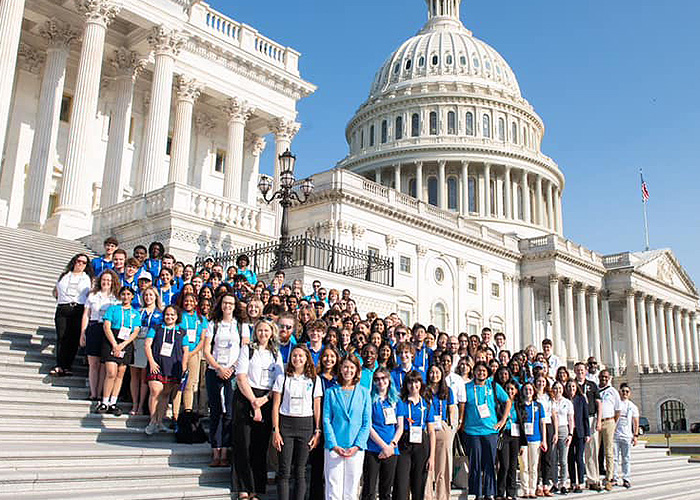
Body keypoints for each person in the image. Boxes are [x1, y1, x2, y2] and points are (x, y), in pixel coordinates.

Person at [234, 318, 284, 498]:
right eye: (260, 330)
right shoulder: (247, 349)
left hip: (266, 398)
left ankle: (256, 488)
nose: (263, 334)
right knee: (243, 444)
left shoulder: (276, 353)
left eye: (266, 331)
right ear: (255, 332)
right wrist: (254, 401)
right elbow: (240, 377)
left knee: (260, 446)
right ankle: (242, 487)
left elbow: (278, 380)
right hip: (246, 396)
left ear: (272, 333)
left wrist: (264, 399)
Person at [271, 345, 323, 500]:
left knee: (300, 471)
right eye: (294, 355)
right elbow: (275, 406)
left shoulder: (314, 379)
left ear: (307, 358)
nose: (297, 359)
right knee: (284, 470)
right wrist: (276, 431)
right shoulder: (282, 378)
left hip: (305, 426)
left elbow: (317, 407)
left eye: (301, 356)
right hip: (286, 425)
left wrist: (317, 431)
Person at [203, 293, 246, 467]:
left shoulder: (242, 326)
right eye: (225, 303)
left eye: (231, 303)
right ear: (220, 305)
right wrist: (219, 368)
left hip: (233, 372)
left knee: (229, 412)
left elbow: (245, 349)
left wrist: (231, 369)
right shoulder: (213, 324)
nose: (228, 306)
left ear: (235, 306)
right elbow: (206, 350)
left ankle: (226, 451)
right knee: (215, 412)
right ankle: (215, 450)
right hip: (215, 370)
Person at [323, 354, 372, 500]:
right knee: (333, 489)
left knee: (351, 489)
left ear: (357, 370)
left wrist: (357, 446)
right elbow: (326, 419)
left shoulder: (364, 393)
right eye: (345, 367)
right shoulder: (331, 392)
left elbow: (366, 422)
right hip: (335, 447)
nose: (348, 370)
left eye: (352, 367)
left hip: (355, 448)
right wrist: (333, 444)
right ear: (340, 369)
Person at [462, 362, 511, 500]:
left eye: (484, 371)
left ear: (487, 372)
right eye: (478, 370)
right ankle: (477, 493)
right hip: (472, 431)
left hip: (490, 431)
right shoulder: (467, 387)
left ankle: (489, 493)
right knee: (475, 463)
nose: (481, 373)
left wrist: (502, 421)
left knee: (490, 462)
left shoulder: (493, 386)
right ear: (474, 372)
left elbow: (508, 401)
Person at [144, 305, 189, 435]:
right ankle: (152, 421)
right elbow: (147, 344)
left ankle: (160, 421)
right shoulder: (156, 328)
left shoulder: (182, 331)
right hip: (157, 364)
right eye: (167, 314)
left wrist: (183, 366)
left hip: (173, 366)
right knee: (155, 391)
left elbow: (185, 350)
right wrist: (152, 362)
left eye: (172, 315)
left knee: (165, 394)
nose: (169, 317)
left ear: (177, 317)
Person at [97, 286, 141, 416]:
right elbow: (107, 326)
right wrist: (115, 344)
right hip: (112, 340)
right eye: (123, 294)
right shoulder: (113, 309)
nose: (126, 296)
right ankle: (104, 401)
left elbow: (136, 331)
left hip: (126, 343)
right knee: (111, 372)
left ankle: (113, 402)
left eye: (128, 294)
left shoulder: (135, 313)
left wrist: (123, 345)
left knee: (120, 373)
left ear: (132, 296)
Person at [360, 367, 403, 500]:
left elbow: (400, 427)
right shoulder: (369, 399)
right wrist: (383, 446)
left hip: (391, 450)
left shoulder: (396, 401)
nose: (380, 382)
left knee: (386, 491)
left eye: (383, 378)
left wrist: (391, 445)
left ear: (389, 380)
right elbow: (368, 426)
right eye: (377, 379)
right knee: (369, 490)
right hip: (373, 449)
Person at [393, 369, 436, 500]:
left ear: (421, 384)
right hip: (404, 442)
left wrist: (432, 456)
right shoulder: (401, 402)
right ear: (406, 385)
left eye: (416, 382)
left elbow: (431, 432)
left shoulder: (427, 404)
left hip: (421, 443)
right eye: (410, 382)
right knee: (401, 485)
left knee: (418, 485)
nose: (413, 385)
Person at [80, 269, 120, 401]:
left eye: (109, 280)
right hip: (94, 327)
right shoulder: (92, 295)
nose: (106, 282)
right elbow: (86, 315)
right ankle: (93, 393)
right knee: (93, 363)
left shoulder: (116, 298)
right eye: (104, 279)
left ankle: (102, 392)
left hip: (109, 330)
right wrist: (82, 333)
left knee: (104, 364)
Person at [51, 253, 93, 377]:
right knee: (62, 336)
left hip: (78, 308)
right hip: (63, 308)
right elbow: (56, 291)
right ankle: (60, 365)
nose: (80, 264)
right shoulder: (65, 275)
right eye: (78, 261)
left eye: (84, 262)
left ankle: (67, 365)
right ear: (74, 261)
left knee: (73, 338)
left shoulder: (88, 278)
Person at [172, 292, 208, 421]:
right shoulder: (179, 316)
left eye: (191, 301)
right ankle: (175, 415)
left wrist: (191, 354)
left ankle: (187, 412)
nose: (188, 303)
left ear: (196, 303)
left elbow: (202, 339)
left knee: (190, 384)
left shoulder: (201, 319)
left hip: (194, 354)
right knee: (177, 384)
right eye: (186, 301)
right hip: (178, 354)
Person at [425, 364, 458, 500]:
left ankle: (442, 496)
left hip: (442, 427)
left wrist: (451, 428)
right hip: (427, 428)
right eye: (432, 372)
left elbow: (451, 410)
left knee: (443, 465)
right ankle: (427, 495)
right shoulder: (424, 390)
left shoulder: (447, 391)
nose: (434, 375)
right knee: (427, 465)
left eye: (437, 372)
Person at [132, 286, 163, 415]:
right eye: (146, 295)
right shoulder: (138, 311)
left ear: (156, 297)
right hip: (136, 342)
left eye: (151, 295)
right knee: (134, 375)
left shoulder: (160, 313)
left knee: (144, 377)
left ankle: (140, 406)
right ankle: (134, 404)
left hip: (149, 345)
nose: (148, 298)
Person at [573, 362, 602, 492]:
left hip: (590, 419)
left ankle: (593, 479)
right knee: (577, 453)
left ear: (586, 371)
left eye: (582, 370)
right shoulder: (572, 385)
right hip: (576, 421)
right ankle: (578, 480)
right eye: (578, 370)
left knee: (592, 450)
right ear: (574, 371)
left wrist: (599, 420)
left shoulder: (591, 385)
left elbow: (599, 403)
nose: (580, 372)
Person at [519, 382, 547, 499]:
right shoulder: (519, 405)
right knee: (523, 465)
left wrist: (544, 440)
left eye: (530, 389)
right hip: (523, 440)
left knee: (534, 466)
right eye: (526, 389)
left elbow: (542, 424)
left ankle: (532, 489)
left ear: (534, 391)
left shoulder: (538, 406)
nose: (528, 392)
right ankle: (525, 490)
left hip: (535, 439)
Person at [497, 381, 522, 500]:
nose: (510, 391)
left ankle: (511, 493)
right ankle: (500, 492)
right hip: (504, 434)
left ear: (516, 391)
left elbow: (521, 421)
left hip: (516, 435)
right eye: (507, 389)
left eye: (512, 389)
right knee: (504, 465)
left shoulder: (518, 404)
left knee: (513, 465)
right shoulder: (500, 404)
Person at [598, 369, 621, 491]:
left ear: (609, 378)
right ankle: (595, 478)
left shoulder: (613, 391)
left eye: (606, 377)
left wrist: (612, 422)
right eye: (602, 376)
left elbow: (618, 410)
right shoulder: (595, 389)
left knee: (608, 451)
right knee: (595, 451)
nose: (604, 379)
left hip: (609, 421)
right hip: (596, 423)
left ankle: (609, 478)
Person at [535, 375, 558, 496]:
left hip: (548, 426)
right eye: (538, 381)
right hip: (536, 426)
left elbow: (554, 415)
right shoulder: (533, 396)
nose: (541, 383)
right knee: (537, 458)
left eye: (543, 381)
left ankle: (545, 484)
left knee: (547, 457)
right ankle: (537, 485)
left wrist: (556, 432)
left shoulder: (549, 397)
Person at [565, 380, 589, 493]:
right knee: (570, 458)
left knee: (579, 457)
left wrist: (587, 433)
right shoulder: (564, 400)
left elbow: (585, 417)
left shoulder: (581, 399)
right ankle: (573, 482)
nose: (571, 388)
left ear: (576, 387)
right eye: (569, 386)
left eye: (573, 386)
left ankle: (581, 482)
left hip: (580, 432)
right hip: (568, 432)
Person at [614, 383, 638, 489]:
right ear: (620, 392)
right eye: (623, 391)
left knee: (626, 458)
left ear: (630, 393)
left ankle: (626, 478)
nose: (624, 393)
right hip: (615, 435)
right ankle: (614, 478)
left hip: (627, 435)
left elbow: (635, 421)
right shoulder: (616, 404)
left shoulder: (632, 406)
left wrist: (635, 435)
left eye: (627, 391)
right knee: (614, 458)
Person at [552, 380, 574, 494]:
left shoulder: (567, 402)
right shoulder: (551, 401)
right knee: (553, 459)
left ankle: (563, 483)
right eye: (556, 388)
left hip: (563, 429)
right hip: (552, 430)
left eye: (560, 388)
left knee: (563, 459)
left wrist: (570, 434)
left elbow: (571, 419)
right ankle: (555, 483)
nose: (558, 390)